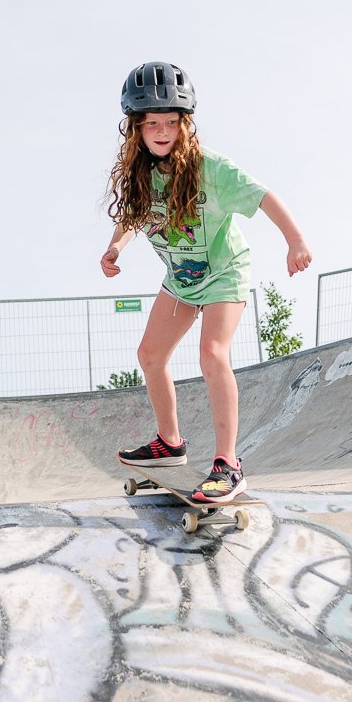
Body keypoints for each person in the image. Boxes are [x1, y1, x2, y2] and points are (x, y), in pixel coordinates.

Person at [101, 61, 312, 503]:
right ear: (135, 129)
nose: (162, 132)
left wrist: (294, 240)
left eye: (171, 123)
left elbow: (263, 196)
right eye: (152, 124)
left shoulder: (210, 169)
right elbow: (130, 218)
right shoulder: (142, 177)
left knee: (212, 354)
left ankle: (228, 464)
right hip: (180, 280)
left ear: (186, 124)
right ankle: (169, 442)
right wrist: (116, 248)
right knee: (150, 354)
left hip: (223, 273)